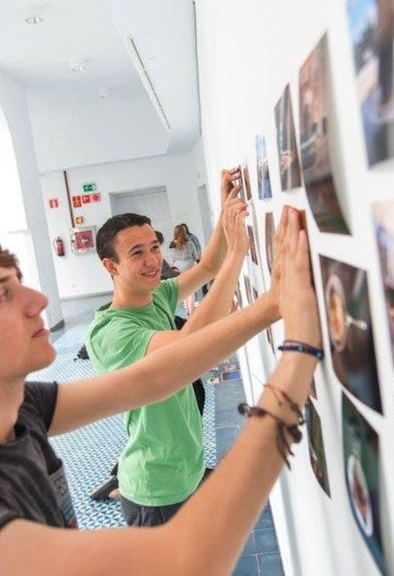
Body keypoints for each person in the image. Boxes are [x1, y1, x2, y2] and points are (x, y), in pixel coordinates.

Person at [0, 208, 319, 575]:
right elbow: (184, 560)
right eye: (2, 295)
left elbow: (151, 379)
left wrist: (273, 305)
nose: (38, 302)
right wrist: (297, 352)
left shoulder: (21, 410)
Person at [87, 169, 248, 526]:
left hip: (185, 471)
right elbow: (192, 343)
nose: (153, 261)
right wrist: (237, 254)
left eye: (155, 247)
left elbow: (207, 266)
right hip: (155, 491)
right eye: (137, 253)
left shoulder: (156, 295)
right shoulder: (111, 333)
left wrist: (224, 210)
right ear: (110, 266)